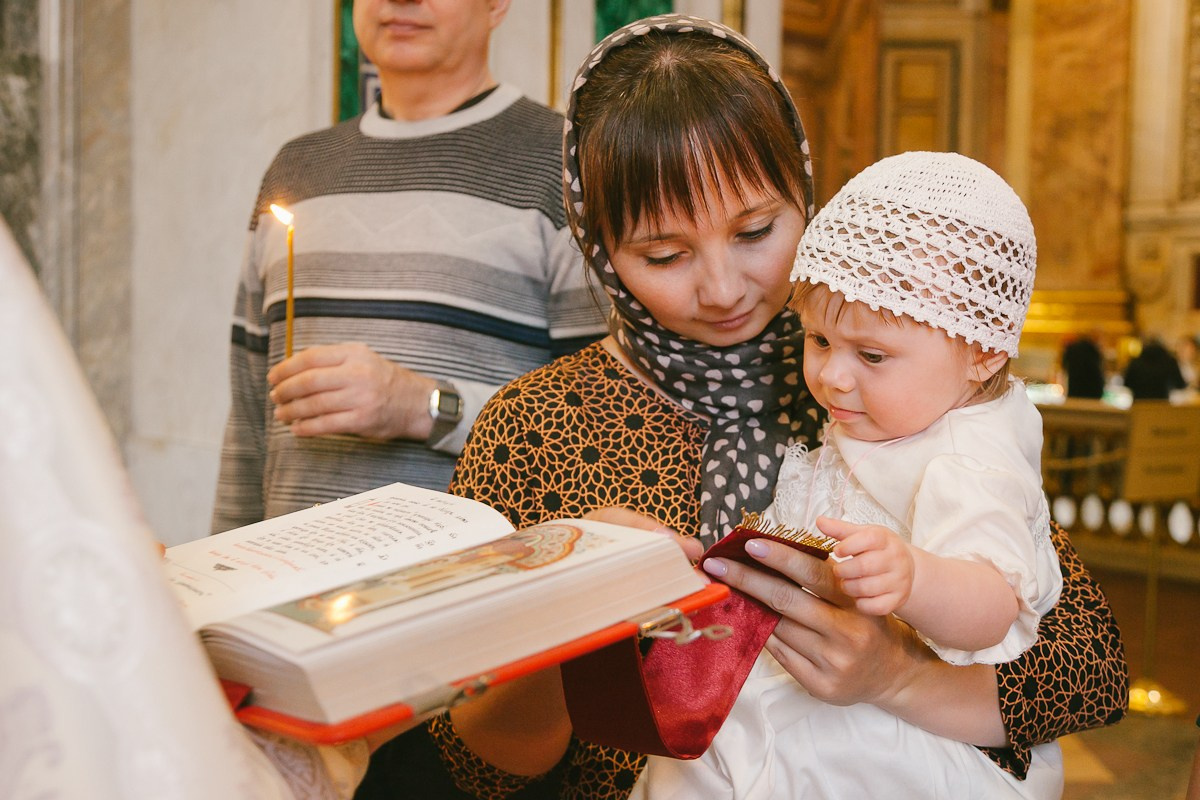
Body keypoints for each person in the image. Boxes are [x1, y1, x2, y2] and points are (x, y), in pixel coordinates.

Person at [356, 14, 1127, 800]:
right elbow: (474, 769)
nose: (723, 289)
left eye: (757, 230)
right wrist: (572, 607)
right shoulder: (536, 425)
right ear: (599, 249)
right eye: (664, 255)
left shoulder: (880, 385)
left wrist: (892, 675)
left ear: (808, 197)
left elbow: (1084, 672)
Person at [642, 151, 1065, 797]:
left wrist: (916, 578)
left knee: (748, 747)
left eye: (871, 354)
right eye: (817, 341)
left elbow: (993, 607)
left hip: (921, 736)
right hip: (837, 688)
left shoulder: (969, 460)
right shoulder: (895, 413)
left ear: (981, 354)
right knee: (705, 751)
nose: (832, 376)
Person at [211, 0, 607, 533]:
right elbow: (248, 422)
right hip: (286, 593)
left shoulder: (567, 166)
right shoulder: (296, 170)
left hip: (471, 592)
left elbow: (601, 430)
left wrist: (424, 406)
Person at [1122, 336, 1186, 401]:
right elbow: (1180, 384)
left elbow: (1126, 384)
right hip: (1162, 404)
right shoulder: (1169, 361)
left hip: (1139, 404)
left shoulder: (1135, 362)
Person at [1060, 332, 1106, 399]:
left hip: (1074, 392)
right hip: (1093, 394)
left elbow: (1063, 366)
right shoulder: (1092, 351)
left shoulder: (1072, 350)